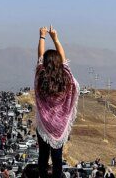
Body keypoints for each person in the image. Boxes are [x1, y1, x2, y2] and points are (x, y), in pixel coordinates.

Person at [34, 25, 79, 178]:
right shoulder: (66, 78)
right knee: (57, 156)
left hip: (44, 125)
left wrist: (42, 36)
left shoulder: (40, 77)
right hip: (60, 126)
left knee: (43, 155)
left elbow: (40, 56)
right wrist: (56, 39)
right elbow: (64, 59)